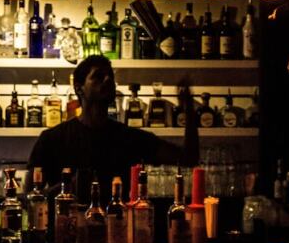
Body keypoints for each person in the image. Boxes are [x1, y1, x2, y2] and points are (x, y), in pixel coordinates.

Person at [27, 55, 199, 204]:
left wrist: (189, 109)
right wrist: (67, 187)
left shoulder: (130, 138)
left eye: (110, 76)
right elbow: (28, 198)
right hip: (67, 229)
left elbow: (188, 158)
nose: (108, 80)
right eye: (98, 76)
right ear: (79, 88)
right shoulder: (52, 139)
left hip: (117, 228)